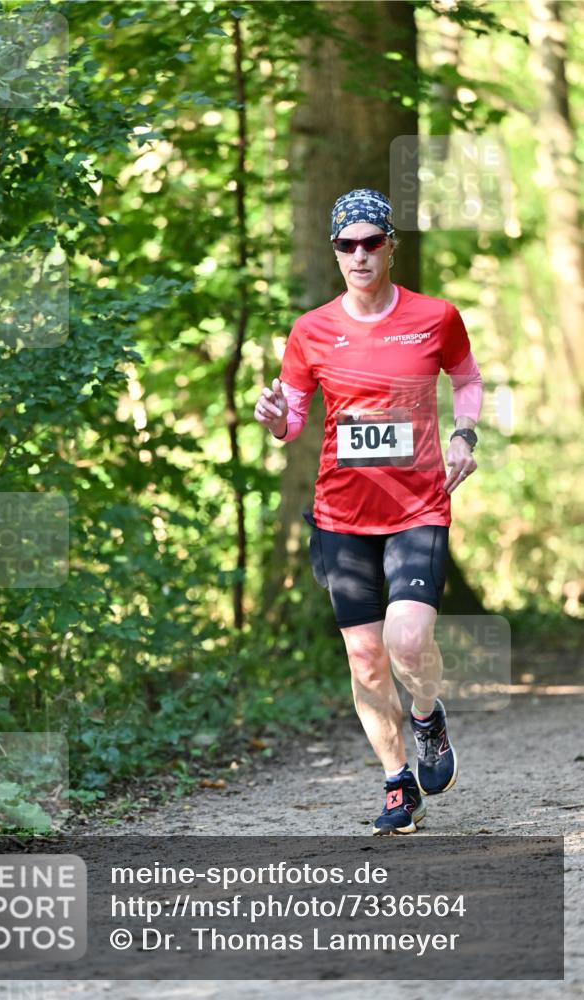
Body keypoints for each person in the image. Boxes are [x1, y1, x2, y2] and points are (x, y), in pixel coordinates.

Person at [254, 188, 483, 835]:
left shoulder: (434, 316)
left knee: (407, 640)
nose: (357, 255)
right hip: (340, 515)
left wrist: (464, 434)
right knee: (363, 657)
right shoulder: (311, 331)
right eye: (344, 244)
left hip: (416, 507)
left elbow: (465, 379)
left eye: (369, 242)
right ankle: (394, 782)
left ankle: (427, 716)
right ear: (334, 250)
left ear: (389, 245)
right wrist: (274, 418)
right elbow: (292, 419)